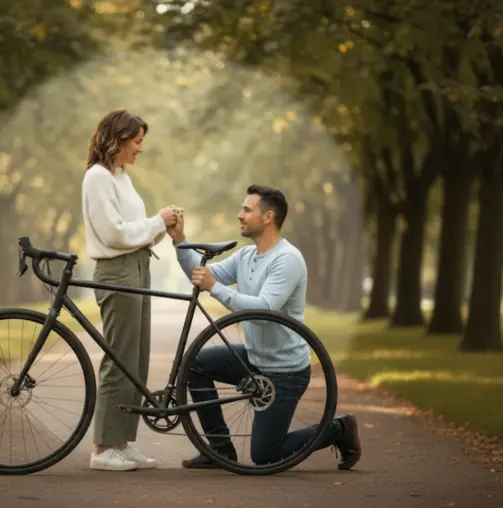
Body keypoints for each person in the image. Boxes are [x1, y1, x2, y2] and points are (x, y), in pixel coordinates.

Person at [167, 184, 362, 470]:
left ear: (268, 217)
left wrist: (215, 289)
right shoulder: (247, 256)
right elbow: (203, 275)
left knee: (265, 455)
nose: (239, 215)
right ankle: (219, 449)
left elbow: (264, 313)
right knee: (193, 364)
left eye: (247, 210)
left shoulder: (287, 260)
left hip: (285, 372)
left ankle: (338, 429)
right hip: (254, 358)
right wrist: (180, 240)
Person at [80, 109, 181, 471]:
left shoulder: (121, 176)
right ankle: (103, 447)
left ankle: (123, 442)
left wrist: (161, 222)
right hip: (117, 273)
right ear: (118, 140)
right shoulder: (97, 178)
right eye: (136, 141)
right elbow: (113, 234)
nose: (140, 148)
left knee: (136, 358)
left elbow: (134, 227)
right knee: (119, 358)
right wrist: (157, 221)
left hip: (138, 265)